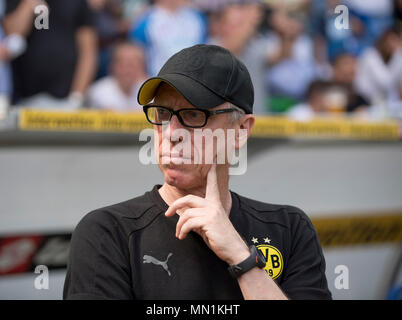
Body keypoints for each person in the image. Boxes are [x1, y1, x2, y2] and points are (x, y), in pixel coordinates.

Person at [63, 44, 332, 300]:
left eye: (193, 115)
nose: (171, 133)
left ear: (241, 130)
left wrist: (242, 258)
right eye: (162, 114)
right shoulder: (107, 232)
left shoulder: (289, 228)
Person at [3, 0, 98, 109]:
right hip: (24, 98)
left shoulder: (77, 2)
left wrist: (77, 96)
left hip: (66, 100)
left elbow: (88, 52)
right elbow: (11, 36)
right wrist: (29, 4)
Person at [129, 0, 207, 76]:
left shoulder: (197, 17)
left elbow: (203, 50)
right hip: (158, 79)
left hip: (192, 79)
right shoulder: (146, 18)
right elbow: (136, 52)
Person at [87, 42, 147, 111]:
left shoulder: (150, 92)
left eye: (133, 65)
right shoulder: (99, 92)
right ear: (112, 66)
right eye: (123, 65)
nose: (128, 71)